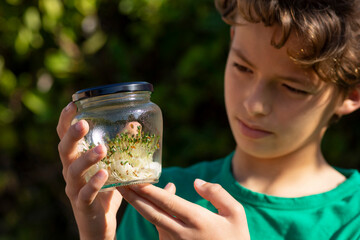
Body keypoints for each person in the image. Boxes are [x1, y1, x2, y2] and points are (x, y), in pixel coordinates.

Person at [57, 0, 360, 239]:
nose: (254, 104)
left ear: (353, 96)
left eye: (292, 87)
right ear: (232, 38)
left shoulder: (351, 223)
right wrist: (97, 235)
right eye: (243, 67)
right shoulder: (163, 201)